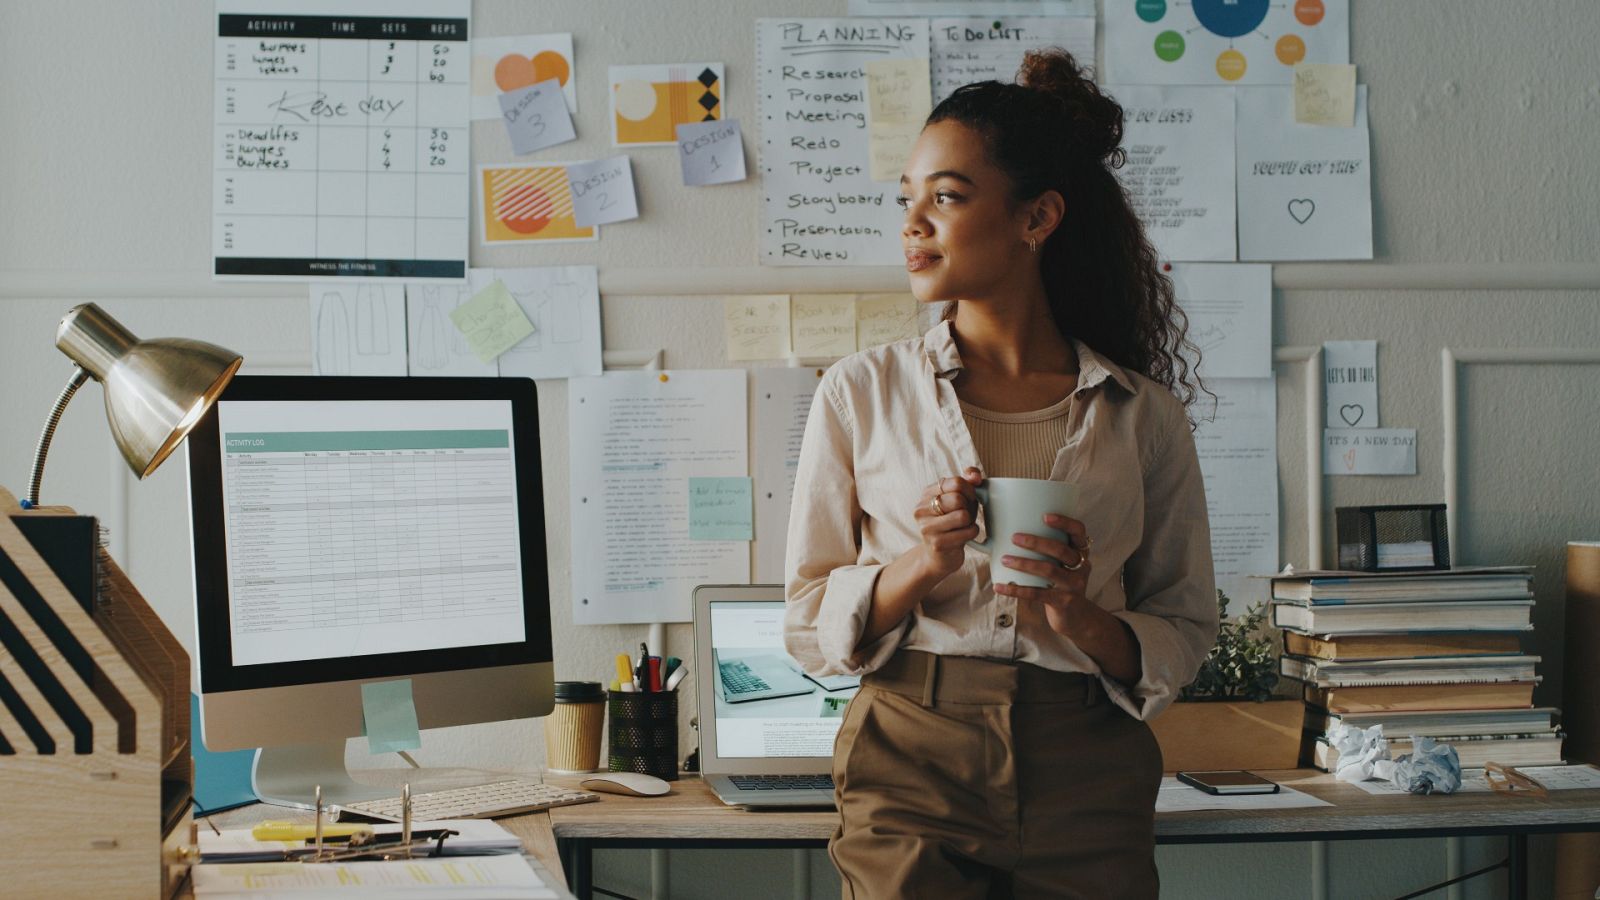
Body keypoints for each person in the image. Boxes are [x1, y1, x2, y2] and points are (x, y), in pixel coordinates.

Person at [784, 49, 1220, 899]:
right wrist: (924, 562)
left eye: (945, 197)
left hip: (1089, 764)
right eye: (906, 199)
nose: (913, 224)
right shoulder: (859, 391)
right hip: (911, 754)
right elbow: (806, 618)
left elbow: (1185, 622)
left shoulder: (1143, 413)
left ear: (1038, 217)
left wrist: (1078, 614)